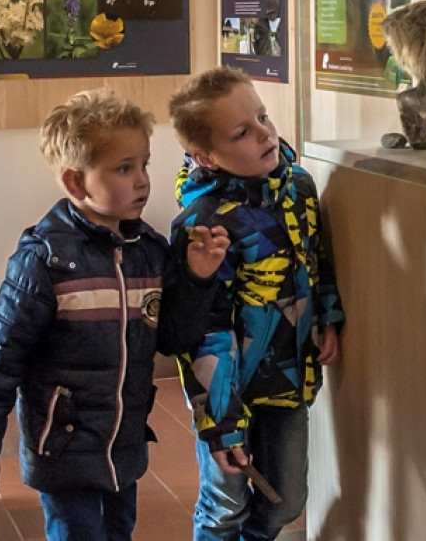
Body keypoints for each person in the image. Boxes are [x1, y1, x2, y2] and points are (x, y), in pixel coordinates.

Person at [0, 89, 231, 541]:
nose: (142, 180)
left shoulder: (150, 253)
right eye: (124, 168)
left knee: (118, 531)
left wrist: (198, 278)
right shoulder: (44, 262)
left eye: (144, 164)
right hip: (62, 450)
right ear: (75, 183)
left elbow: (173, 339)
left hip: (123, 447)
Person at [167, 67, 345, 541]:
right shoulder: (204, 224)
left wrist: (327, 316)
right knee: (226, 504)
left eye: (263, 117)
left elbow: (316, 259)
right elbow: (203, 332)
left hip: (288, 377)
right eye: (243, 132)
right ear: (205, 155)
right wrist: (220, 423)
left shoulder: (299, 188)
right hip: (229, 390)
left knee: (285, 500)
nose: (266, 133)